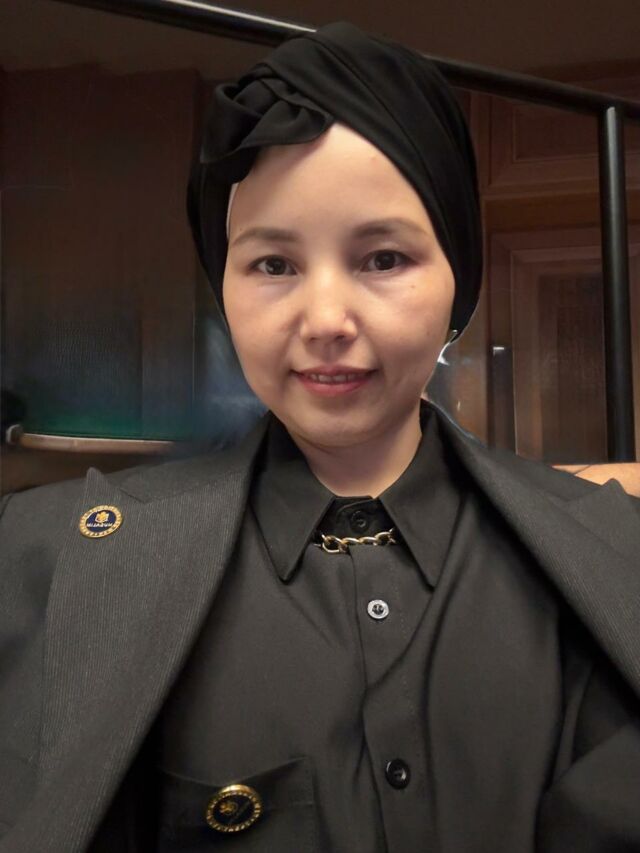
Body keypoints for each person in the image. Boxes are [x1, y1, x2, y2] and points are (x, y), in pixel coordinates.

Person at [1, 21, 639, 853]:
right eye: (273, 265)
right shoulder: (45, 567)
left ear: (460, 280)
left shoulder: (617, 553)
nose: (327, 320)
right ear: (223, 288)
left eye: (382, 258)